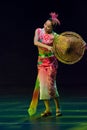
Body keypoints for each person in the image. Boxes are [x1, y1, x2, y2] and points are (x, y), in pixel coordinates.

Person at [28, 12, 62, 117]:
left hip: (51, 63)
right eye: (45, 25)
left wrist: (79, 46)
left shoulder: (55, 36)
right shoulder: (38, 31)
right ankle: (48, 109)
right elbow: (35, 42)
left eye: (49, 26)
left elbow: (66, 44)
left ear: (53, 28)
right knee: (42, 87)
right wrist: (47, 47)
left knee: (51, 86)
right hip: (41, 63)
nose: (46, 27)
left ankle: (58, 108)